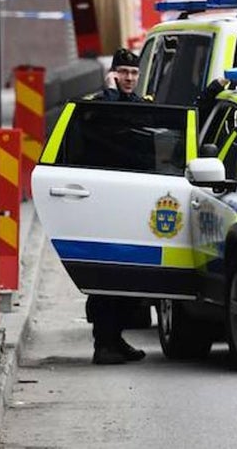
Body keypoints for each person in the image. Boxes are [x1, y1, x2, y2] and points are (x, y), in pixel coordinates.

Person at [84, 48, 150, 365]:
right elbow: (104, 126)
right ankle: (103, 343)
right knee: (106, 277)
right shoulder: (99, 105)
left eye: (134, 73)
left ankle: (116, 339)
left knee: (130, 277)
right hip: (104, 204)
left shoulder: (141, 105)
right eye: (123, 72)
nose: (129, 78)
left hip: (132, 203)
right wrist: (109, 92)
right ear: (112, 74)